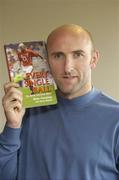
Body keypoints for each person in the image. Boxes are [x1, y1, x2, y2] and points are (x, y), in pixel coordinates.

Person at [0, 24, 119, 180]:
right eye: (58, 56)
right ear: (46, 61)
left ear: (93, 59)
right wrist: (12, 126)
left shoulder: (115, 118)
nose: (67, 67)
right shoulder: (27, 109)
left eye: (77, 54)